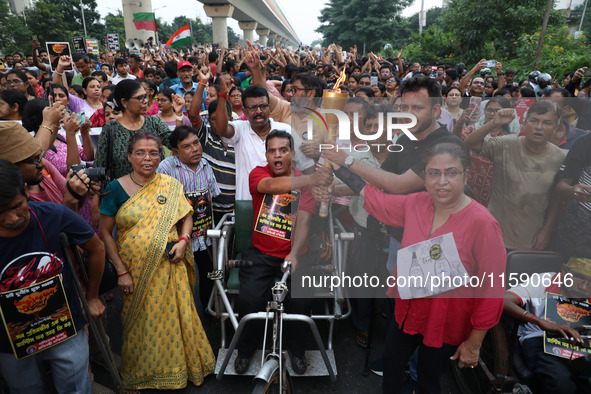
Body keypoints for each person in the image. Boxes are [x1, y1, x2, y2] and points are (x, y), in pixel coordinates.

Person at [331, 142, 506, 393]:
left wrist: (474, 343)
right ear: (424, 177)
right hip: (408, 310)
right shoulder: (418, 203)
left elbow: (492, 288)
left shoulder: (483, 224)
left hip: (445, 319)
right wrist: (341, 168)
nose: (442, 181)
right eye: (434, 173)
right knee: (391, 364)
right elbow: (377, 200)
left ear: (466, 176)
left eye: (451, 173)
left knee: (428, 379)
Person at [99, 132, 215, 391]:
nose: (147, 158)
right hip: (134, 270)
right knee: (140, 324)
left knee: (177, 317)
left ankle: (179, 369)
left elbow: (187, 215)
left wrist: (184, 241)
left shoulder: (170, 184)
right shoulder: (115, 189)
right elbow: (105, 232)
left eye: (153, 153)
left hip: (170, 266)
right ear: (129, 156)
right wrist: (120, 271)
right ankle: (141, 374)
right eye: (140, 152)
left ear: (160, 156)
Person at [0, 159, 105, 394]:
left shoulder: (53, 215)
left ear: (26, 190)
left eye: (16, 206)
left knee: (76, 387)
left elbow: (96, 248)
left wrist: (93, 296)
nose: (10, 218)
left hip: (63, 323)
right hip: (9, 336)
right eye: (0, 212)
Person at [234, 130, 332, 375]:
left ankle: (297, 352)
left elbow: (305, 222)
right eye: (272, 150)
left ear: (292, 153)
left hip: (297, 253)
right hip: (260, 253)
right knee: (250, 300)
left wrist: (295, 253)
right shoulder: (259, 173)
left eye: (283, 150)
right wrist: (312, 179)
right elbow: (270, 186)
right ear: (266, 154)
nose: (277, 155)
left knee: (300, 301)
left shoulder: (304, 182)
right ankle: (245, 351)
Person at [464, 100, 567, 251]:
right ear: (524, 123)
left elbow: (556, 199)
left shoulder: (559, 158)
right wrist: (494, 123)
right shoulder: (505, 144)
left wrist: (546, 231)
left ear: (555, 128)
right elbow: (471, 142)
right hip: (493, 234)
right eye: (534, 121)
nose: (539, 127)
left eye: (546, 123)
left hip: (530, 240)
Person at [214, 77, 315, 200]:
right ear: (245, 112)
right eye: (253, 108)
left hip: (283, 207)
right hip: (248, 206)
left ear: (269, 108)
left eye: (263, 106)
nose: (259, 111)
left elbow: (306, 165)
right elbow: (221, 129)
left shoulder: (286, 130)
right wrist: (222, 96)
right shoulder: (240, 129)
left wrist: (312, 194)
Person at [504, 259, 591, 393]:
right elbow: (503, 300)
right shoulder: (544, 281)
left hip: (580, 343)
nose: (583, 287)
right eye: (578, 278)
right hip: (541, 340)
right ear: (564, 270)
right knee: (562, 385)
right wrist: (538, 321)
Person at [157, 125, 220, 308]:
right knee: (181, 281)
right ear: (175, 151)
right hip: (179, 239)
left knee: (209, 275)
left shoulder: (206, 164)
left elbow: (211, 197)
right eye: (187, 146)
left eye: (196, 143)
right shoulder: (165, 169)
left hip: (205, 236)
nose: (195, 149)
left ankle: (209, 313)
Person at [95, 79, 171, 179]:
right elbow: (100, 165)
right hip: (123, 192)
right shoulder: (110, 130)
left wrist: (179, 116)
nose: (145, 101)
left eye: (145, 97)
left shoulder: (154, 123)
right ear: (124, 102)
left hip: (155, 190)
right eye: (140, 98)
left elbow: (175, 144)